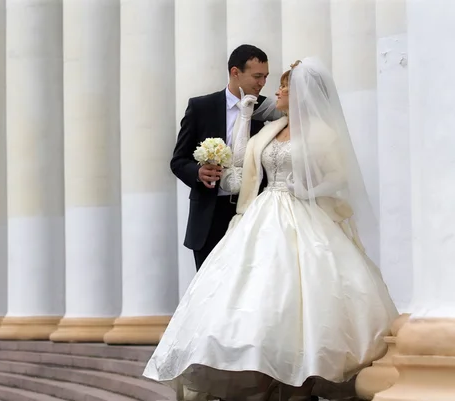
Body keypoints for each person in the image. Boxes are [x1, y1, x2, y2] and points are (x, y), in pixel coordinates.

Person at [144, 58, 399, 401]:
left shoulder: (322, 134)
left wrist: (309, 191)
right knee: (257, 295)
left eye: (282, 85)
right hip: (262, 213)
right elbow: (243, 166)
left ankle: (299, 383)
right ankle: (262, 376)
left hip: (303, 215)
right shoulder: (271, 129)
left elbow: (340, 177)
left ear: (300, 93)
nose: (275, 90)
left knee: (302, 294)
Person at [171, 44, 283, 271]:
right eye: (257, 76)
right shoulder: (201, 107)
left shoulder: (268, 110)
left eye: (265, 77)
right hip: (209, 216)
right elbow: (178, 160)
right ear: (235, 72)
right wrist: (198, 172)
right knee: (208, 290)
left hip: (252, 212)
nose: (262, 83)